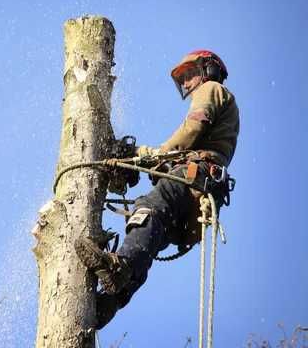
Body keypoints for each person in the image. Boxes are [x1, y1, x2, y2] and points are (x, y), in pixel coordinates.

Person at [75, 50, 240, 329]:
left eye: (190, 75)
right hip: (197, 193)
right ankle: (112, 300)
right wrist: (134, 155)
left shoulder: (212, 89)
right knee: (150, 236)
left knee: (147, 209)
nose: (186, 83)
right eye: (182, 80)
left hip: (194, 176)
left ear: (209, 70)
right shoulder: (219, 117)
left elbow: (191, 129)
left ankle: (119, 268)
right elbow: (172, 152)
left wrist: (157, 156)